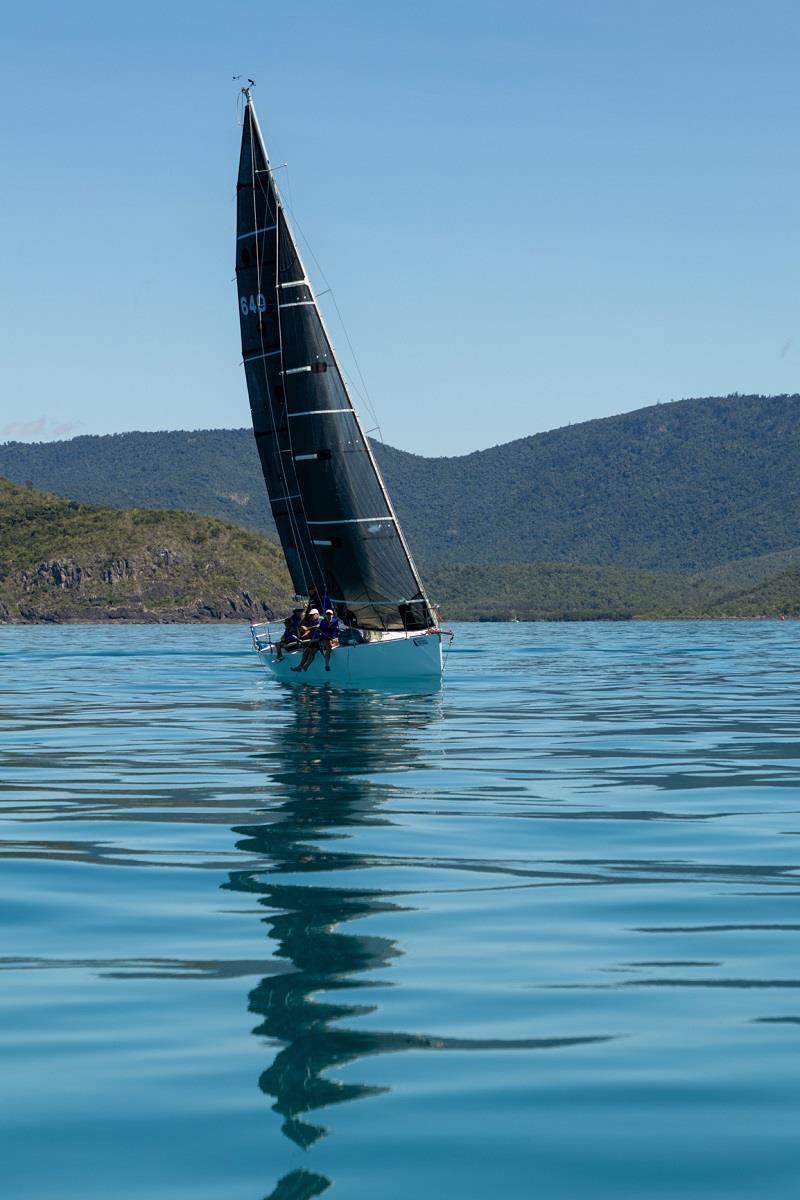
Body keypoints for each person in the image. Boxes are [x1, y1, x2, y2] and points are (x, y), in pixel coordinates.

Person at [317, 607, 343, 671]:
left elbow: (336, 627)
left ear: (332, 614)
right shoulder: (323, 621)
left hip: (334, 639)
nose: (329, 615)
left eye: (330, 614)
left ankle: (326, 659)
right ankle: (327, 665)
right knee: (328, 648)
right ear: (326, 615)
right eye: (327, 614)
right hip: (325, 639)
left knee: (333, 644)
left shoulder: (335, 620)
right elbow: (327, 627)